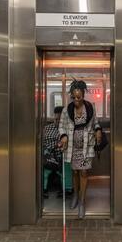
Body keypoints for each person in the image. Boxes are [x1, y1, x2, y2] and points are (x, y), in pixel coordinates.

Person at [59, 80, 102, 219]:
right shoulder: (66, 110)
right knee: (75, 171)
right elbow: (61, 126)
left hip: (87, 145)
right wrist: (64, 136)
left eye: (79, 97)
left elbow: (95, 122)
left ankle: (82, 201)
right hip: (72, 146)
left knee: (83, 172)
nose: (76, 100)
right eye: (74, 97)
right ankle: (76, 195)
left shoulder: (90, 108)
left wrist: (98, 130)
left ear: (83, 96)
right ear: (71, 96)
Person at [43, 106, 72, 198]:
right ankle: (44, 189)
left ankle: (67, 189)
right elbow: (43, 142)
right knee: (44, 167)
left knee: (66, 165)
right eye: (55, 119)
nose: (57, 121)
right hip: (48, 155)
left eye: (59, 119)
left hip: (61, 155)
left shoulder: (66, 130)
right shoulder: (47, 128)